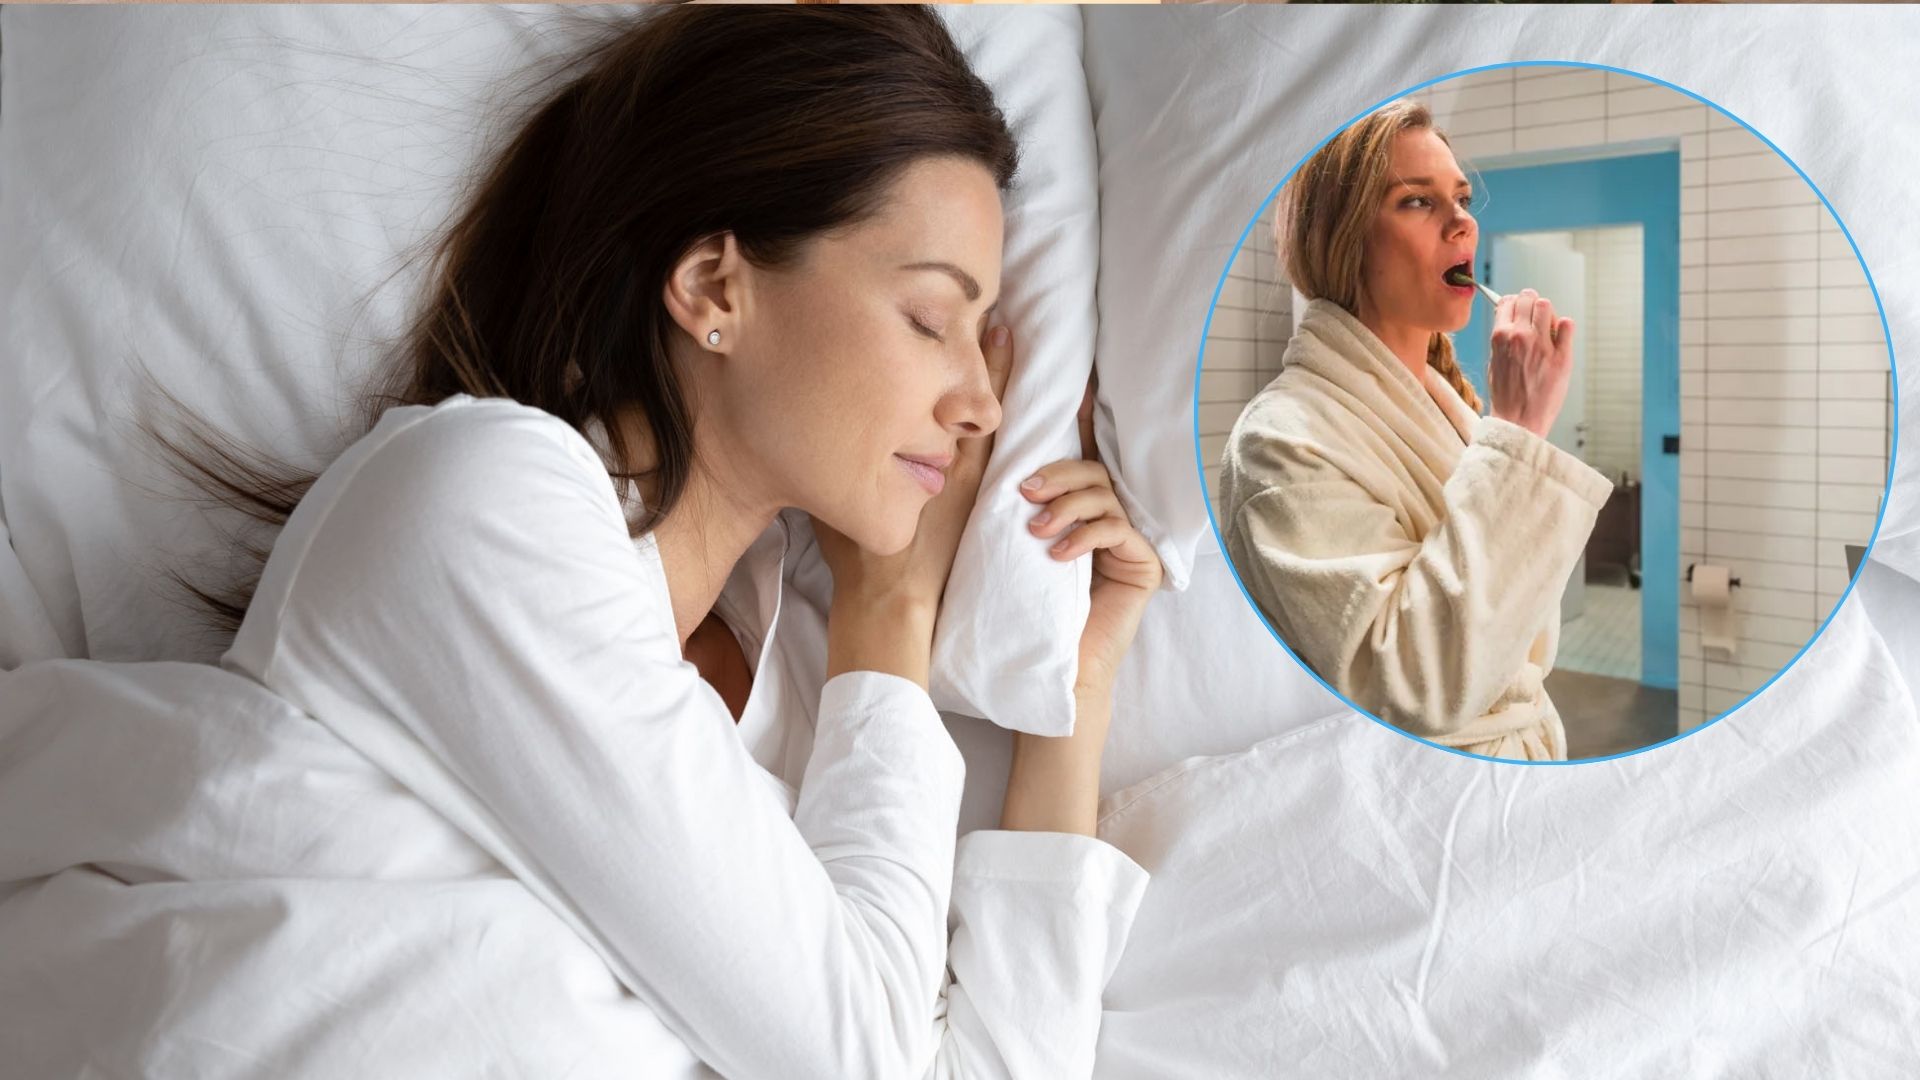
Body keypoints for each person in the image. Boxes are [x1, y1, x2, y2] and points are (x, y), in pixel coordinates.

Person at [153, 7, 1158, 1075]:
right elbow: (855, 1059)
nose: (982, 405)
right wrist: (892, 613)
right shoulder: (485, 500)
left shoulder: (808, 718)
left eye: (984, 330)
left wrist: (1072, 703)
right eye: (928, 318)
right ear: (714, 287)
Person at [1219, 99, 1612, 762]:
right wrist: (1519, 429)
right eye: (1417, 203)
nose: (1463, 223)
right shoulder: (1280, 443)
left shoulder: (1447, 409)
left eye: (1461, 198)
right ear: (1343, 238)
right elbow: (1410, 684)